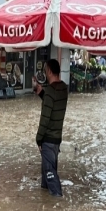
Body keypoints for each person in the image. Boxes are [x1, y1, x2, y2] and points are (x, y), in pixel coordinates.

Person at [33, 59, 68, 197]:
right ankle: (46, 205)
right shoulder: (64, 88)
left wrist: (38, 139)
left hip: (47, 139)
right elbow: (54, 104)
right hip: (57, 139)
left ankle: (58, 204)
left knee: (50, 175)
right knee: (46, 179)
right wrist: (43, 93)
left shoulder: (50, 92)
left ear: (48, 71)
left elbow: (45, 119)